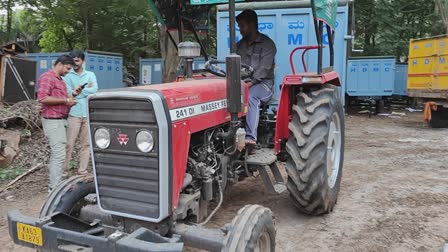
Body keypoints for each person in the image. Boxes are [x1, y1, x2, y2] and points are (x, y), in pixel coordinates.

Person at [236, 9, 277, 146]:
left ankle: (250, 138)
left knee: (250, 96)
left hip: (264, 84)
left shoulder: (267, 45)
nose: (240, 30)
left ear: (252, 25)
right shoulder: (239, 46)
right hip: (243, 83)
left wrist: (249, 84)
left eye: (242, 26)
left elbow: (263, 70)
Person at [37, 55, 77, 192]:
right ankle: (54, 190)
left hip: (61, 120)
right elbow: (42, 98)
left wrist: (72, 97)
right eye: (67, 68)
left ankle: (56, 186)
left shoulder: (60, 80)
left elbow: (62, 99)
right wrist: (66, 101)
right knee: (59, 155)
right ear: (59, 64)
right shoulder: (47, 77)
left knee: (59, 154)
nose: (68, 71)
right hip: (52, 121)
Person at [63, 50, 98, 175]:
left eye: (77, 61)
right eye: (73, 61)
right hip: (74, 113)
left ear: (83, 61)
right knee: (69, 143)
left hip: (87, 113)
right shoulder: (67, 75)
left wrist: (78, 92)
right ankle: (64, 169)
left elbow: (95, 89)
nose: (75, 63)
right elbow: (68, 93)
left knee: (86, 144)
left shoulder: (90, 74)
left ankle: (82, 169)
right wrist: (83, 90)